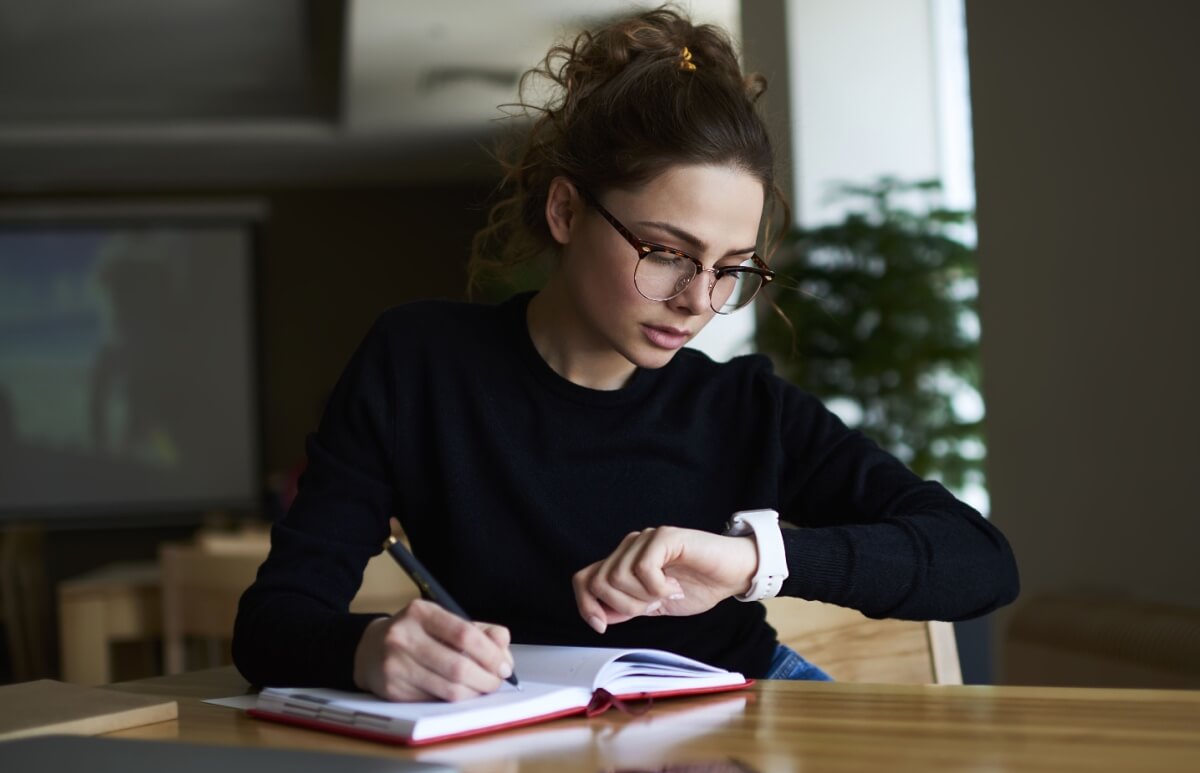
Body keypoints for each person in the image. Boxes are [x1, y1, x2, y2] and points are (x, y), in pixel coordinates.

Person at [232, 5, 1018, 702]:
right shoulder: (418, 365)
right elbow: (273, 624)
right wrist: (368, 649)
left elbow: (980, 561)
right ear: (567, 210)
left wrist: (751, 562)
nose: (697, 302)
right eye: (667, 252)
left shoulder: (743, 407)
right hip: (524, 729)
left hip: (743, 715)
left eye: (730, 269)